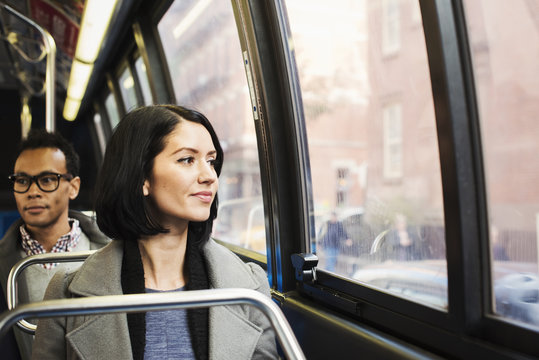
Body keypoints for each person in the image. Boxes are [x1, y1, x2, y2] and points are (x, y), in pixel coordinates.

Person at [32, 105, 278, 359]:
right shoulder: (66, 293)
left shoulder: (249, 288)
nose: (209, 176)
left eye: (211, 161)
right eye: (187, 159)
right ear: (141, 178)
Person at [0, 129, 110, 360]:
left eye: (47, 180)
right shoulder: (3, 264)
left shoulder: (110, 252)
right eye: (22, 181)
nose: (32, 192)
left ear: (74, 187)